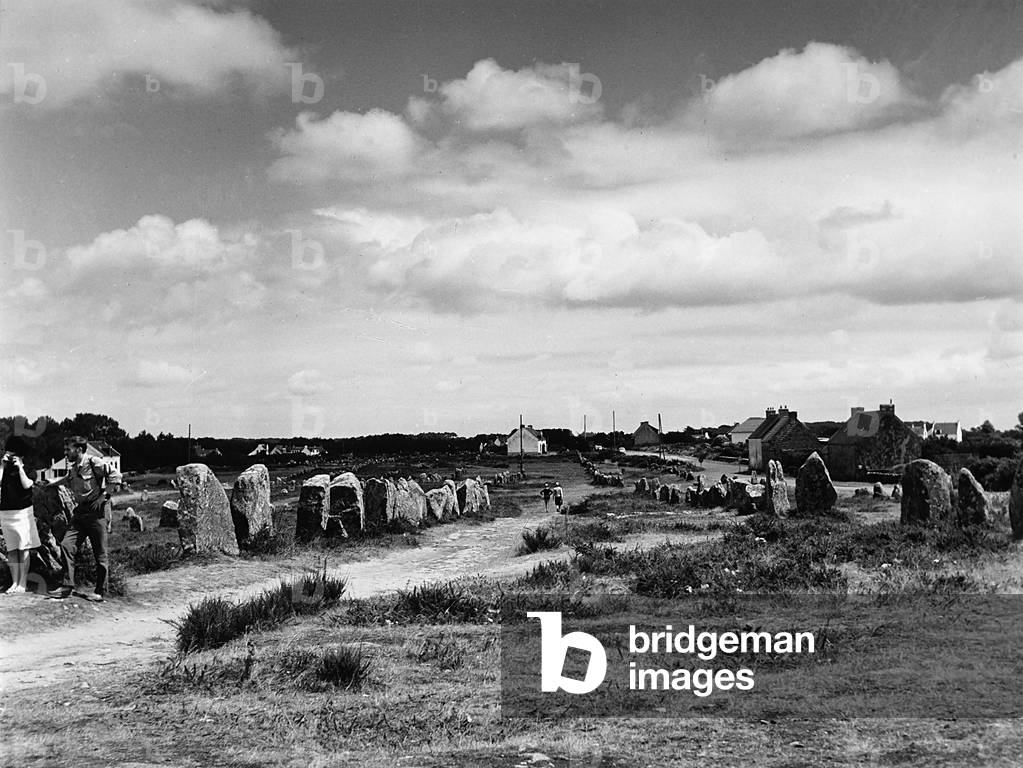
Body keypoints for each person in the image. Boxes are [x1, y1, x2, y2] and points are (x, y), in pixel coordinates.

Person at [46, 436, 121, 602]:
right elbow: (66, 480)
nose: (66, 453)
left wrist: (104, 496)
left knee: (100, 554)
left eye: (68, 450)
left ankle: (100, 591)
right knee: (66, 545)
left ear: (78, 450)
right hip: (80, 514)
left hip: (97, 513)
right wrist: (50, 483)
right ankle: (67, 585)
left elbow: (116, 475)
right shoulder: (74, 468)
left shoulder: (94, 462)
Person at [0, 436, 41, 594]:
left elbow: (27, 485)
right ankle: (14, 582)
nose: (10, 456)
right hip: (6, 512)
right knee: (12, 549)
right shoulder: (4, 468)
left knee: (23, 548)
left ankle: (22, 583)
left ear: (20, 455)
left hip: (23, 512)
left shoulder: (29, 468)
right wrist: (3, 465)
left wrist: (20, 468)